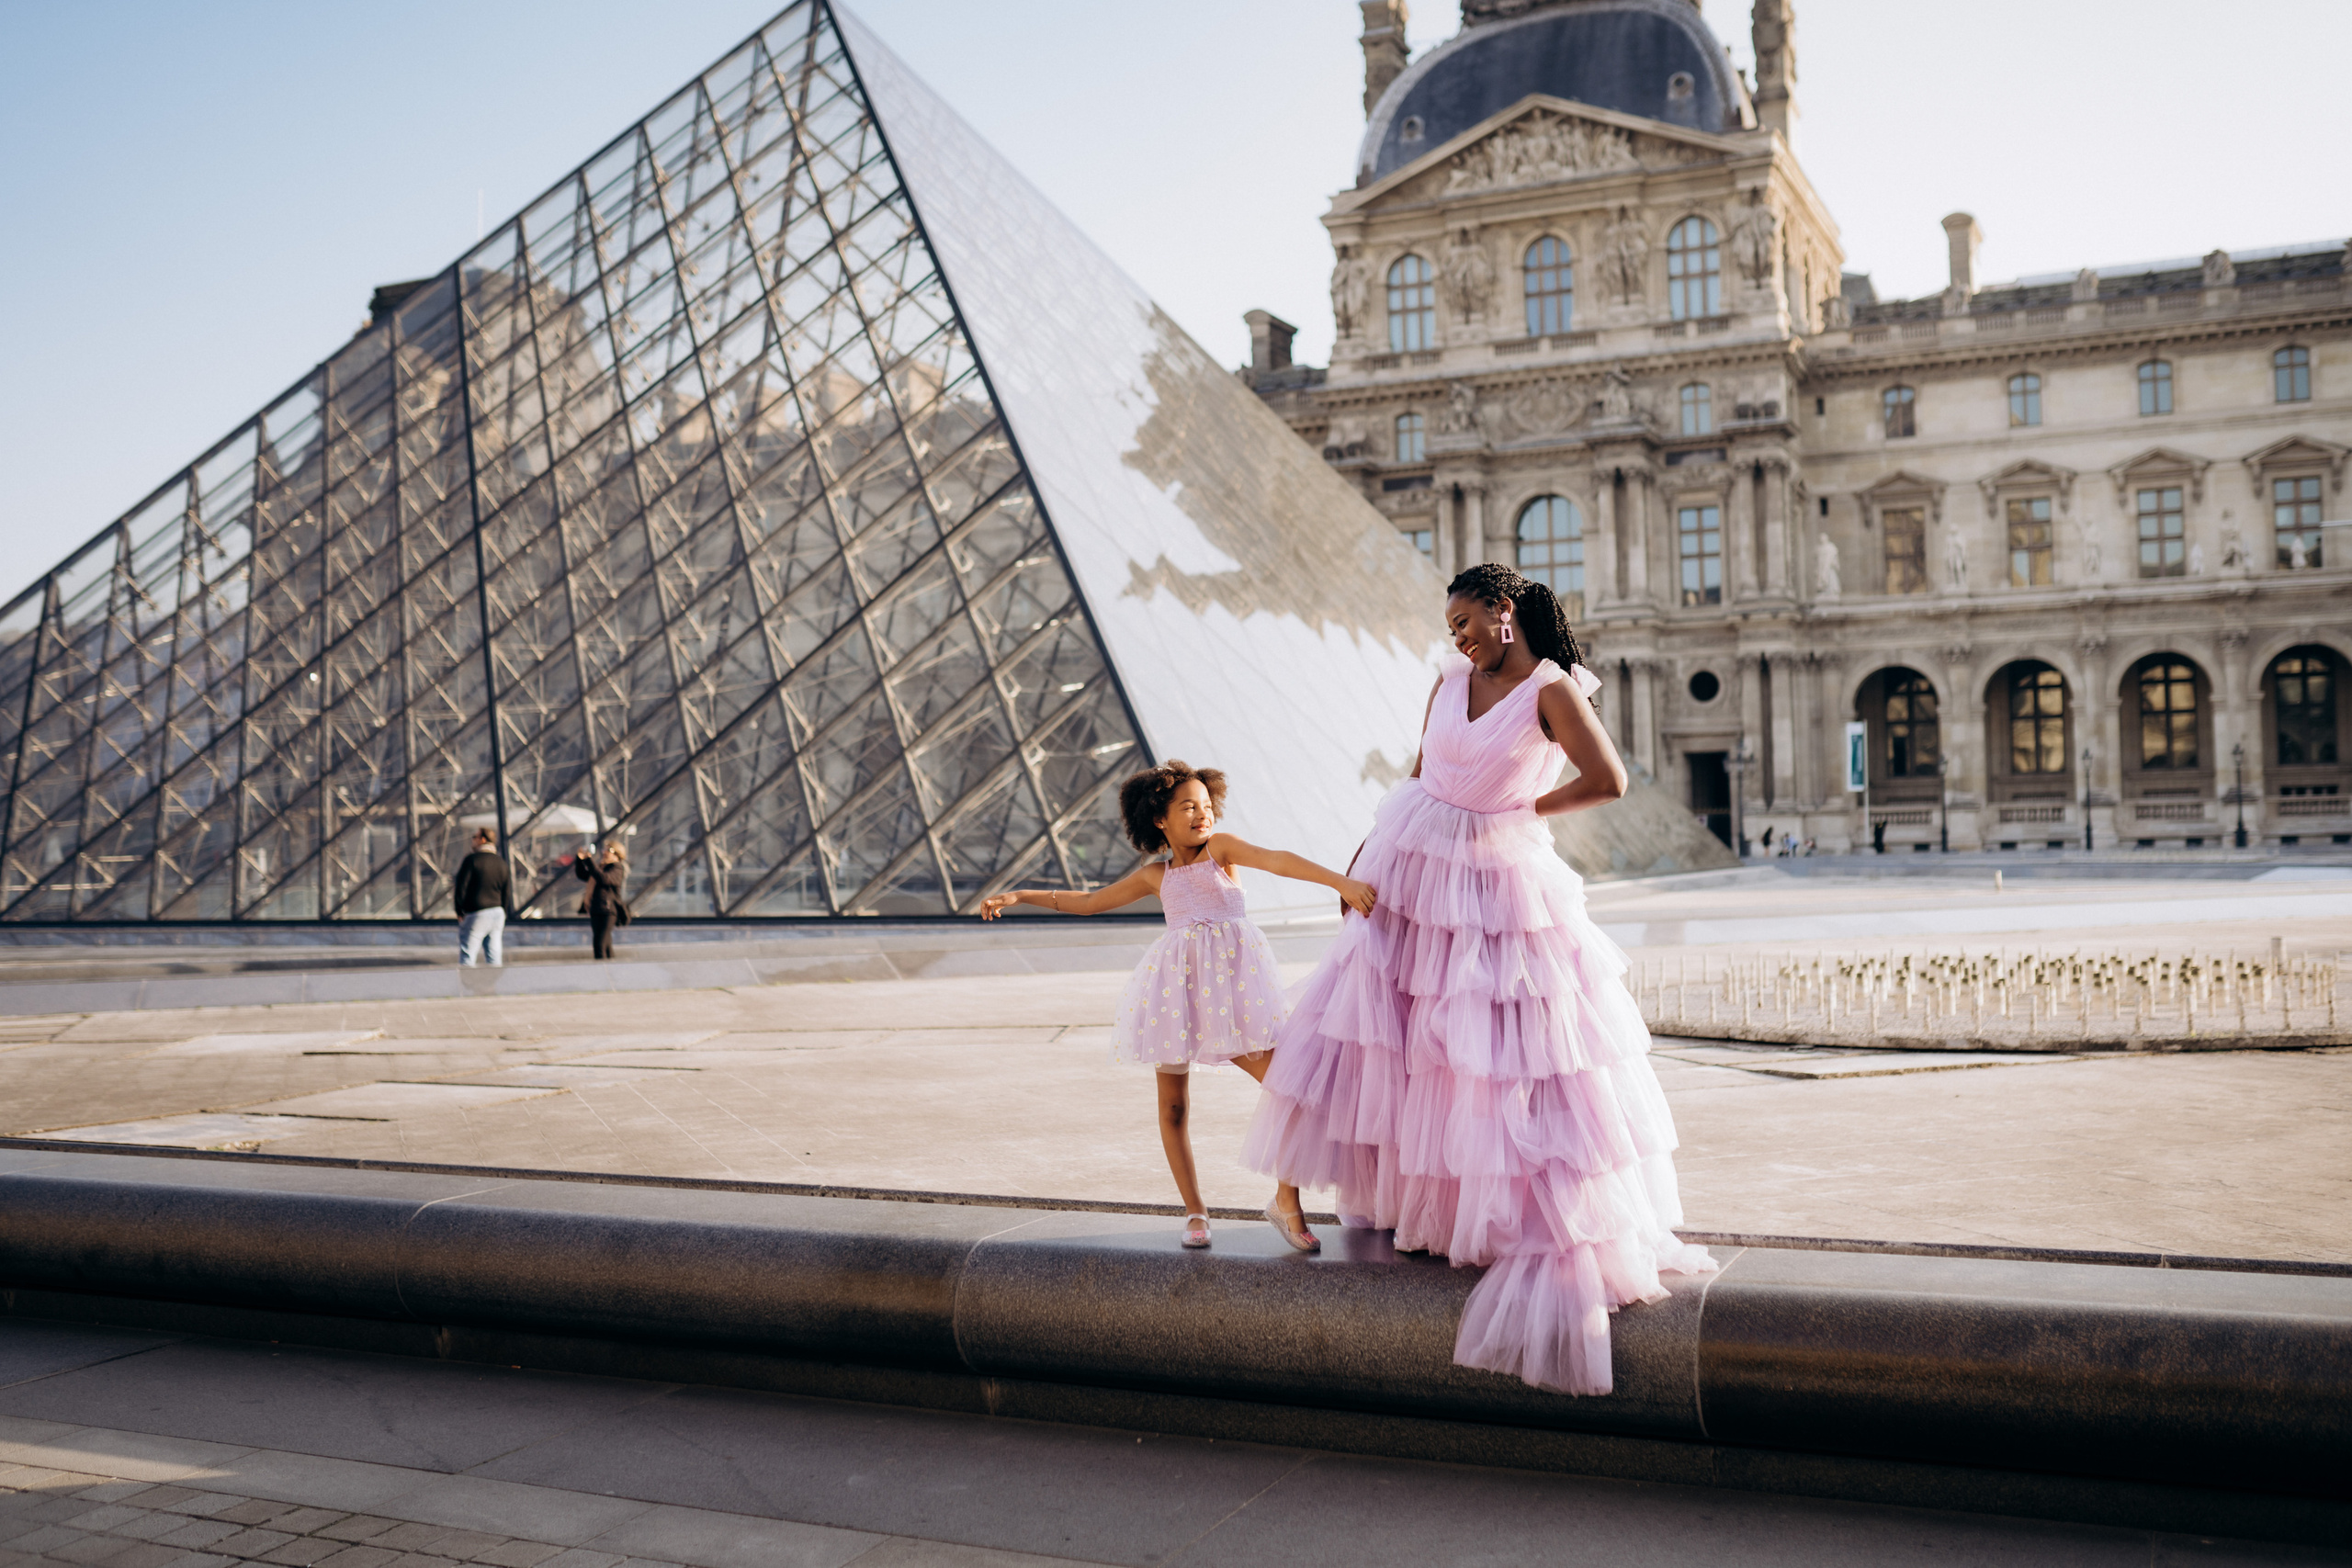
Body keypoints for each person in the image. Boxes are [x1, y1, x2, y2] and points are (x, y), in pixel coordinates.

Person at [1245, 563, 1717, 1396]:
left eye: (1466, 620)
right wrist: (1365, 850)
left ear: (1506, 612)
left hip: (1496, 875)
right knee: (1404, 1040)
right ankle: (1424, 1211)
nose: (1456, 635)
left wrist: (1522, 811)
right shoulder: (1448, 677)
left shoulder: (1552, 689)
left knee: (1497, 1049)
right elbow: (1420, 767)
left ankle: (1503, 1218)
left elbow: (1607, 780)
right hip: (1408, 855)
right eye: (1451, 624)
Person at [980, 761, 1375, 1253]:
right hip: (1176, 996)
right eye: (1188, 806)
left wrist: (1339, 882)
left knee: (1290, 1083)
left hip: (1235, 997)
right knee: (1172, 1106)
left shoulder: (1221, 851)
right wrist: (1021, 894)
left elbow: (1277, 859)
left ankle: (1285, 1199)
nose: (1201, 814)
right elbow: (1088, 901)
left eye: (1206, 806)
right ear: (1159, 819)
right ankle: (1194, 1210)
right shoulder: (1154, 876)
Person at [451, 829, 512, 967]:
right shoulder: (501, 862)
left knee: (468, 955)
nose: (473, 840)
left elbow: (461, 887)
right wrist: (503, 911)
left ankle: (466, 987)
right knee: (494, 956)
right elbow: (506, 892)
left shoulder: (472, 860)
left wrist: (459, 910)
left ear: (482, 839)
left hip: (477, 912)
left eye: (475, 837)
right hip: (497, 912)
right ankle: (493, 987)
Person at [573, 842, 629, 960]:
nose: (605, 852)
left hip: (608, 911)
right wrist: (580, 859)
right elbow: (583, 875)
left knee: (599, 943)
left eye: (609, 850)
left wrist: (589, 860)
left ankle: (602, 970)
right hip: (596, 909)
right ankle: (611, 967)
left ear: (617, 855)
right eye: (605, 850)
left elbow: (604, 879)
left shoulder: (617, 868)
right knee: (606, 945)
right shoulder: (601, 867)